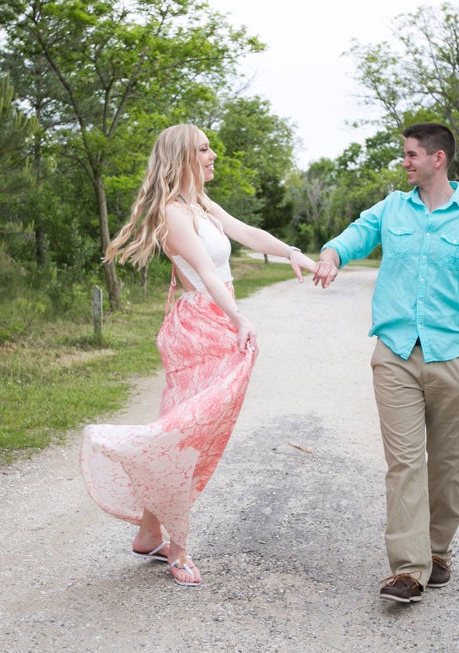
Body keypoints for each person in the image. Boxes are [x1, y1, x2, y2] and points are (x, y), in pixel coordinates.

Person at [80, 124, 316, 587]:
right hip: (200, 326)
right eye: (204, 150)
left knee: (190, 432)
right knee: (188, 436)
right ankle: (179, 547)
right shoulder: (172, 213)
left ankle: (150, 533)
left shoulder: (200, 204)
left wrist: (293, 252)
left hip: (216, 323)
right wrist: (240, 318)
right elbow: (207, 273)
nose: (213, 156)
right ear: (183, 157)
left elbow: (246, 231)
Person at [312, 122, 459, 603]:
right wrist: (333, 254)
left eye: (412, 155)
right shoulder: (392, 208)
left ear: (438, 159)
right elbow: (355, 235)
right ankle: (408, 570)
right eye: (405, 155)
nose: (406, 162)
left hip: (453, 355)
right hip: (395, 353)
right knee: (403, 463)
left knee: (446, 463)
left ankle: (437, 550)